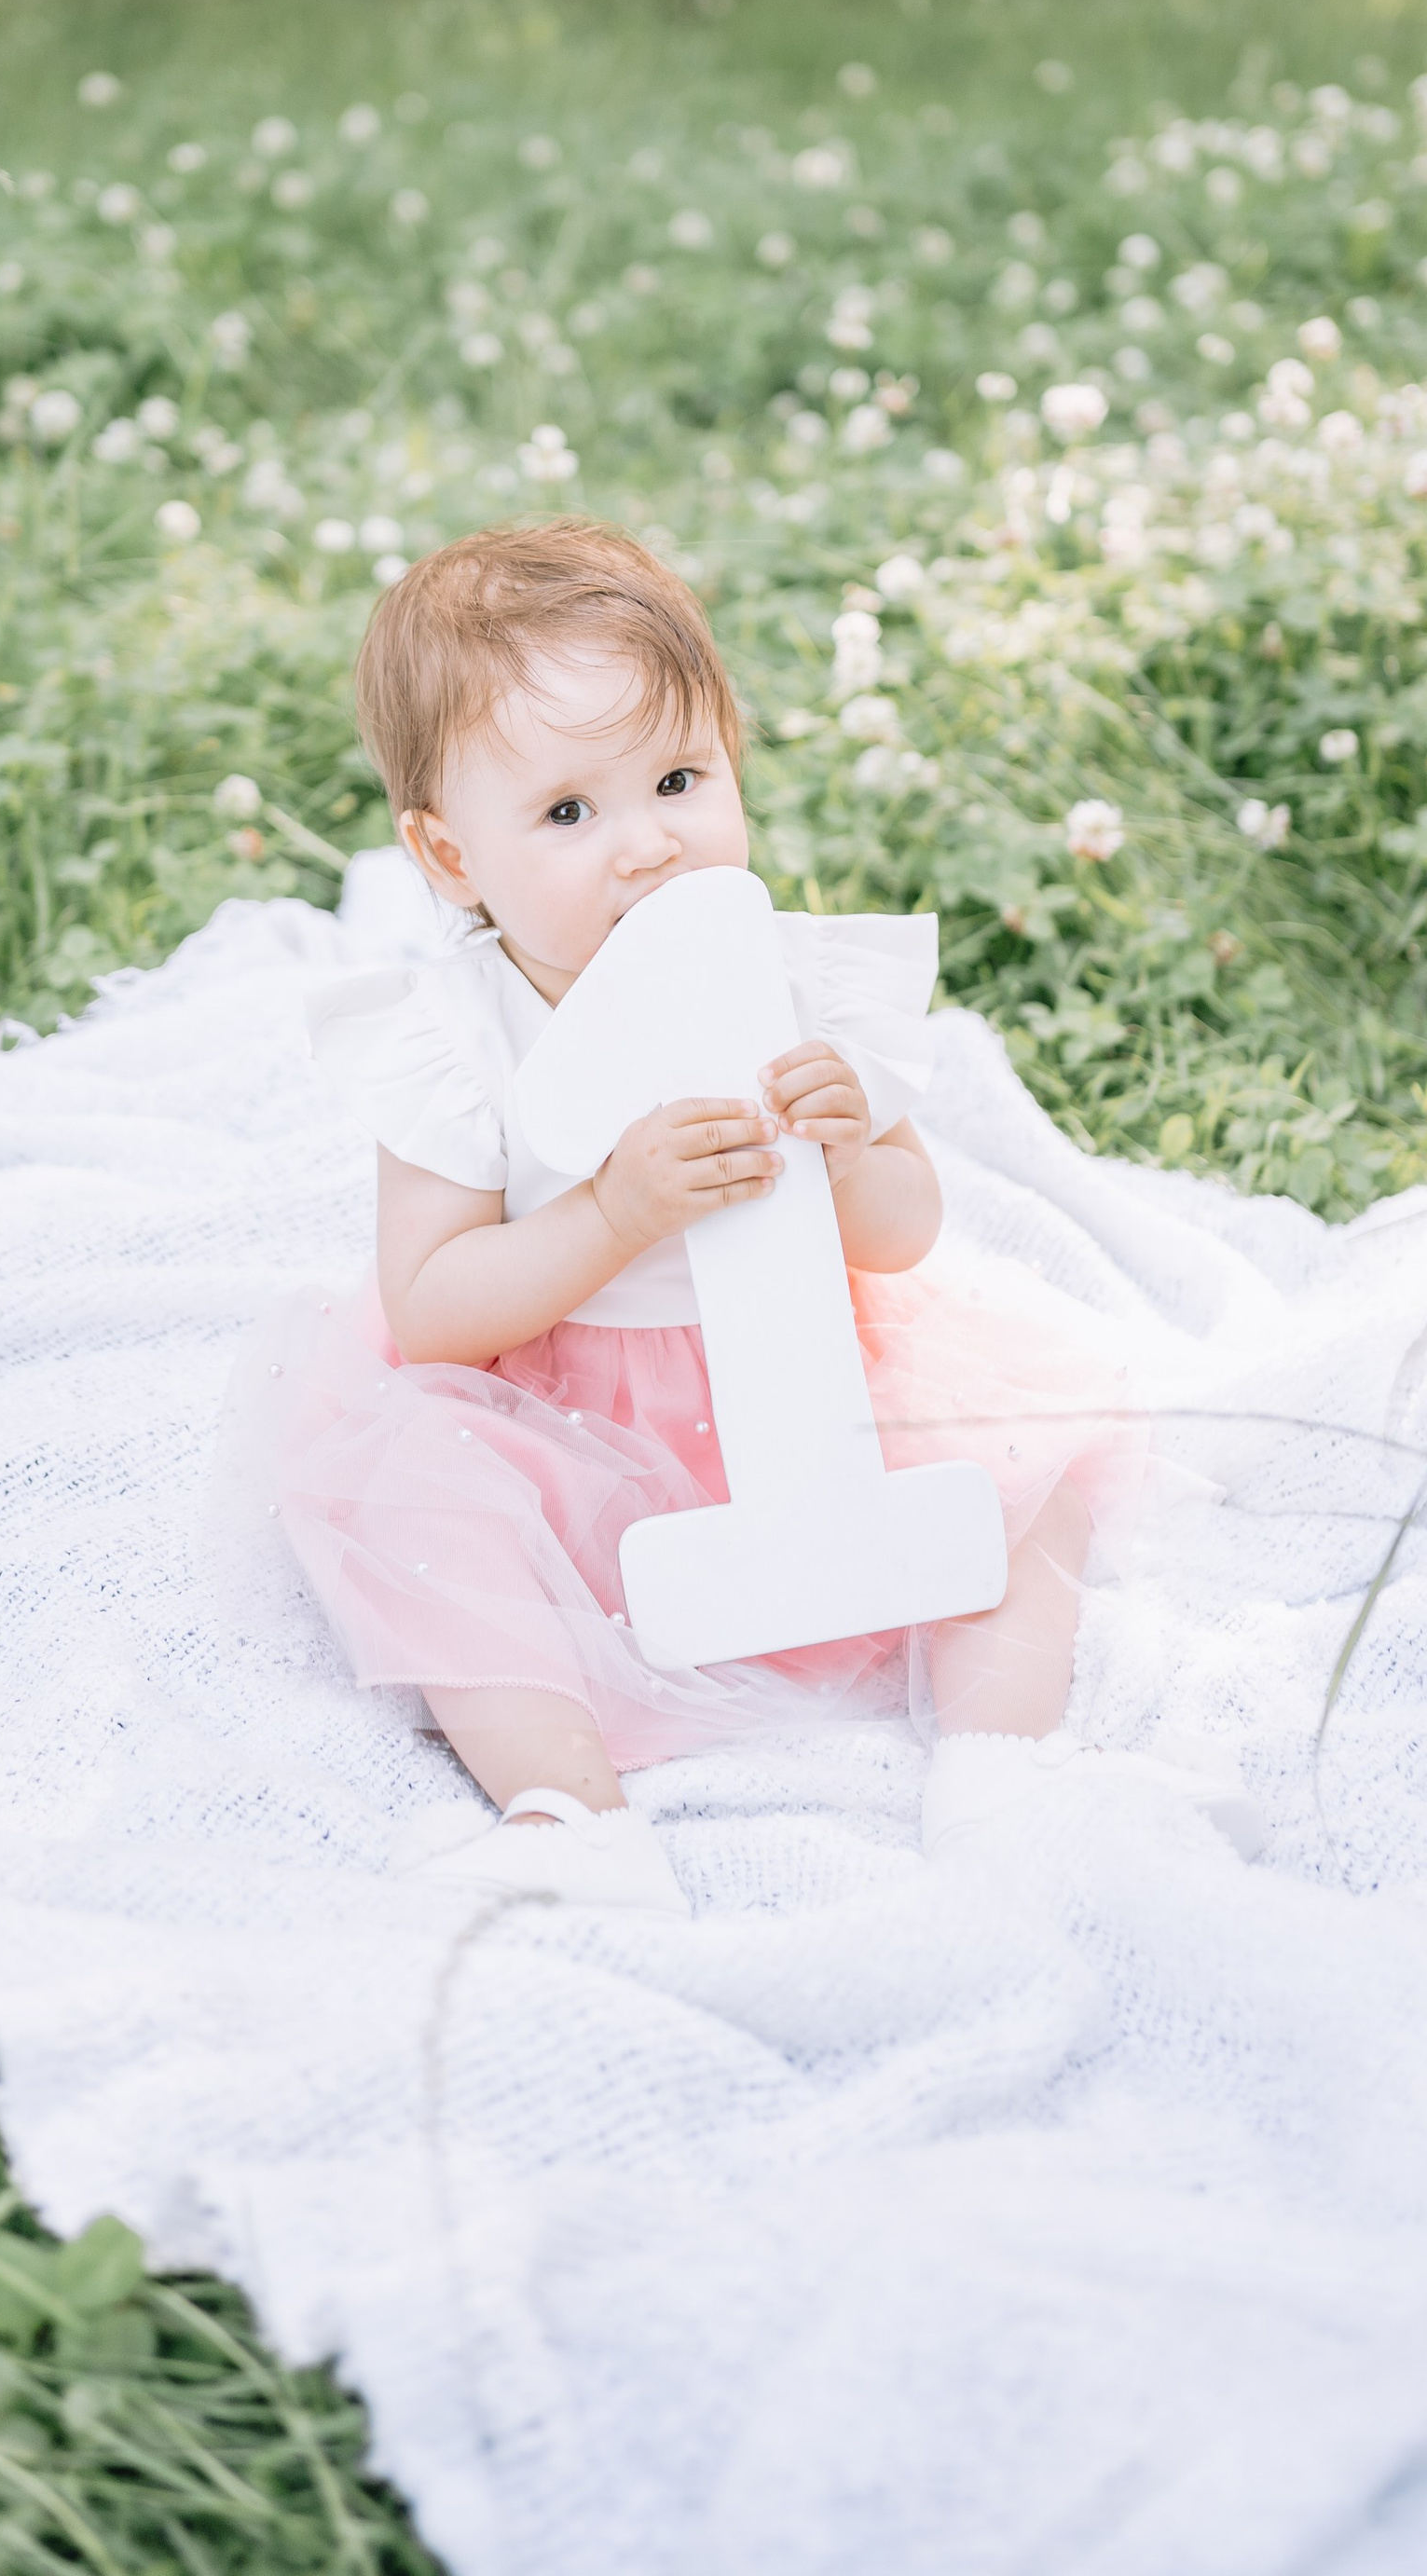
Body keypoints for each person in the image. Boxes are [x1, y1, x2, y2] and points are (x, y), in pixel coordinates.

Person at [272, 518, 1205, 1917]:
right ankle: (569, 1814)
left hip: (806, 1371)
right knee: (420, 1512)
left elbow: (900, 1235)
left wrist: (848, 1150)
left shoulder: (790, 980)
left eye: (679, 779)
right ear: (450, 855)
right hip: (564, 1417)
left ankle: (1005, 1764)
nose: (648, 845)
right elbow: (434, 1310)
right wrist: (609, 1212)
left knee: (1021, 1473)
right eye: (570, 814)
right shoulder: (462, 1040)